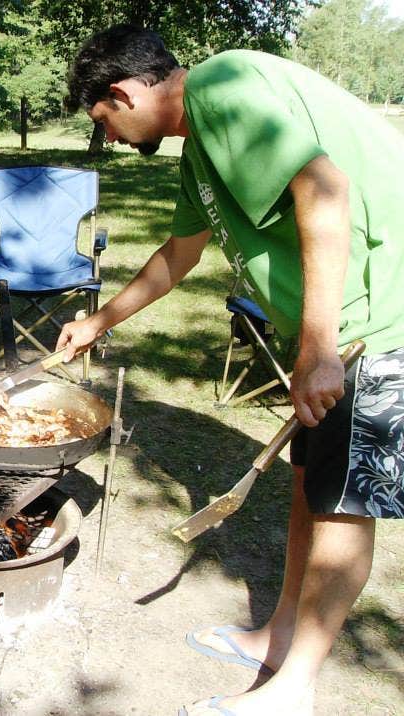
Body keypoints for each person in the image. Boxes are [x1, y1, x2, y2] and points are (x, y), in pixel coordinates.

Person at [57, 24, 404, 716]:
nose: (111, 139)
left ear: (123, 94)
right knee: (311, 487)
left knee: (344, 505)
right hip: (340, 327)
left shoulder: (223, 85)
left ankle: (294, 690)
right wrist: (99, 322)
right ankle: (281, 635)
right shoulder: (200, 152)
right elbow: (178, 254)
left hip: (379, 321)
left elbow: (324, 189)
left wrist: (318, 345)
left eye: (103, 121)